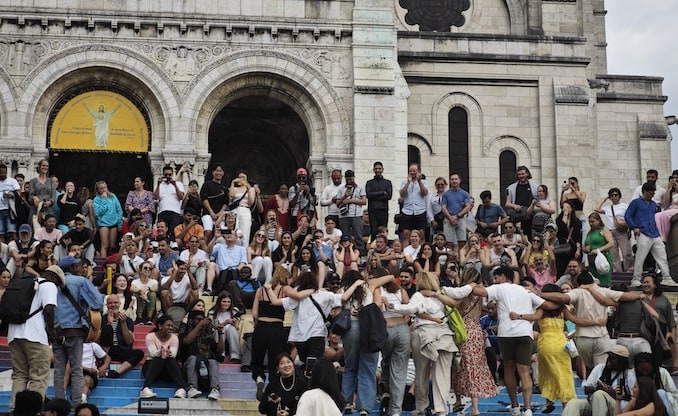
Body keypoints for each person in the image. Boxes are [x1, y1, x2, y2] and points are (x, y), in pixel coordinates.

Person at [472, 266, 550, 416]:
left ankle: (515, 406)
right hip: (524, 333)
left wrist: (470, 284)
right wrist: (530, 317)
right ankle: (527, 408)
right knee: (524, 371)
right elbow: (545, 306)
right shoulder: (526, 291)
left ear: (503, 276)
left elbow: (480, 292)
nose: (495, 281)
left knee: (509, 368)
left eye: (496, 277)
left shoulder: (500, 288)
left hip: (506, 333)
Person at [391, 272, 465, 416]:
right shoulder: (443, 294)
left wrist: (392, 306)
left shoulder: (419, 295)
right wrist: (472, 285)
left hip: (424, 335)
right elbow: (462, 293)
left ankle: (420, 408)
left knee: (421, 373)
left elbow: (411, 309)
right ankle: (441, 409)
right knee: (442, 375)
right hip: (444, 336)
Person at [508, 284, 576, 413]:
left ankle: (549, 401)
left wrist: (519, 316)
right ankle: (566, 405)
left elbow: (534, 317)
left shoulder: (541, 308)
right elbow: (575, 319)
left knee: (547, 373)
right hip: (561, 344)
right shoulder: (562, 310)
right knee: (563, 375)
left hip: (545, 344)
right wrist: (593, 322)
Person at [338, 269, 394, 415]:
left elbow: (342, 300)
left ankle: (347, 402)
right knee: (368, 369)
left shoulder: (344, 289)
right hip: (369, 328)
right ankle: (365, 407)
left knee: (350, 367)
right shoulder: (369, 285)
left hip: (351, 328)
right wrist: (367, 280)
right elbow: (391, 276)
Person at [52, 256, 104, 408]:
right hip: (74, 330)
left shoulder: (52, 284)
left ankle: (59, 404)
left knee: (59, 369)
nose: (81, 268)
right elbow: (97, 303)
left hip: (57, 331)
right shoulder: (80, 281)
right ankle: (76, 404)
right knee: (76, 369)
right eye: (78, 266)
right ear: (73, 268)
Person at [7, 265, 61, 411]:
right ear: (54, 277)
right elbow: (49, 309)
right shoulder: (49, 285)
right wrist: (51, 331)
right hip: (35, 336)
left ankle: (15, 410)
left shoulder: (27, 283)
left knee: (20, 376)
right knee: (38, 377)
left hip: (13, 335)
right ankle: (32, 411)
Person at [450, 269, 498, 416]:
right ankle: (474, 406)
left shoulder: (461, 293)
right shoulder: (480, 295)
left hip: (462, 330)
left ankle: (460, 400)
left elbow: (454, 306)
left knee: (459, 365)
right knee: (475, 367)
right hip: (476, 330)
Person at [625, 182, 678, 287]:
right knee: (641, 257)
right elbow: (627, 215)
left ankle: (666, 277)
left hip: (654, 233)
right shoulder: (636, 203)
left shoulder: (653, 204)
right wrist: (634, 227)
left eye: (653, 193)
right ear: (644, 192)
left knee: (662, 256)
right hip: (642, 232)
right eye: (650, 193)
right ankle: (636, 279)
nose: (652, 195)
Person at [562, 345, 635, 416]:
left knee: (599, 394)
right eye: (609, 356)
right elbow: (586, 389)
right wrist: (598, 389)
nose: (609, 360)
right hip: (595, 403)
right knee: (573, 403)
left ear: (621, 361)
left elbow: (633, 398)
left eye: (613, 358)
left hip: (618, 406)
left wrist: (615, 394)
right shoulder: (600, 368)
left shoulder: (629, 374)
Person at [251, 266, 290, 399]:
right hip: (277, 327)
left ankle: (259, 379)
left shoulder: (260, 290)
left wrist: (257, 326)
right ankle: (273, 388)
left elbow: (255, 314)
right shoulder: (284, 290)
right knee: (276, 360)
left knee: (257, 359)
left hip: (261, 327)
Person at [140, 315, 189, 399]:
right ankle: (146, 388)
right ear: (160, 326)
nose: (171, 328)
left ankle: (181, 389)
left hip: (168, 370)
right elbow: (153, 353)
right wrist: (161, 352)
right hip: (151, 368)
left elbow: (173, 354)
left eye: (171, 326)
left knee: (169, 358)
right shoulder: (150, 336)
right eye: (168, 325)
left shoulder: (174, 337)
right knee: (160, 357)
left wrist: (167, 353)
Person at [181, 310, 224, 400]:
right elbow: (186, 341)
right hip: (189, 370)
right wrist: (199, 326)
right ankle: (192, 388)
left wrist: (220, 333)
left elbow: (219, 350)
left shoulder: (207, 335)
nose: (200, 322)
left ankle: (215, 389)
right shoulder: (184, 333)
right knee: (193, 358)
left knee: (212, 361)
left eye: (202, 320)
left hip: (205, 370)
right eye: (198, 320)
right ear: (191, 321)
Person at [99, 293, 145, 378]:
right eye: (110, 303)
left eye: (115, 302)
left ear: (120, 304)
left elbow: (129, 341)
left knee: (139, 353)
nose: (113, 305)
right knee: (107, 328)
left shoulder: (127, 320)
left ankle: (117, 373)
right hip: (106, 351)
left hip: (122, 349)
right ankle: (103, 363)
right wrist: (109, 323)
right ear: (106, 305)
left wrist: (123, 322)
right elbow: (98, 338)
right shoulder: (101, 319)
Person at [595, 188, 634, 273]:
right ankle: (617, 271)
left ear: (619, 196)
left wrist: (630, 229)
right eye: (612, 195)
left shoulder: (624, 206)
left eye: (616, 195)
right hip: (610, 232)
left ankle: (629, 269)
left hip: (621, 230)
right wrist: (605, 199)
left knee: (626, 252)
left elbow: (630, 217)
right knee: (614, 254)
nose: (614, 197)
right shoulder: (608, 208)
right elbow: (596, 209)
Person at [398, 163, 429, 246]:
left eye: (414, 171)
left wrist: (419, 181)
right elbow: (402, 193)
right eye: (410, 171)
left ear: (418, 171)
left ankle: (421, 254)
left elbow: (425, 193)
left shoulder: (424, 182)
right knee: (406, 234)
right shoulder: (404, 182)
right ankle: (405, 254)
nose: (412, 173)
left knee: (421, 235)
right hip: (407, 211)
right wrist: (408, 183)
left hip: (420, 211)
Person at [503, 166, 539, 236]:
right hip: (517, 215)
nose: (521, 176)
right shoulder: (511, 188)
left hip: (529, 216)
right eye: (519, 174)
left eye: (523, 174)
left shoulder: (535, 187)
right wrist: (514, 206)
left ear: (527, 174)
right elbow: (507, 204)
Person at [207, 291, 241, 363]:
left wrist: (235, 324)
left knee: (232, 329)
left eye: (229, 302)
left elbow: (237, 328)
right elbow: (213, 328)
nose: (226, 304)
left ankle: (235, 357)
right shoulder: (212, 312)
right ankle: (220, 355)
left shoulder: (234, 311)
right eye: (224, 301)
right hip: (217, 333)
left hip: (230, 333)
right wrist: (225, 323)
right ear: (219, 302)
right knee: (220, 330)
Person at [440, 173, 472, 250]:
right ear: (450, 181)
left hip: (460, 219)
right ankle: (450, 259)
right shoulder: (446, 194)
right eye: (452, 179)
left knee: (462, 241)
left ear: (459, 181)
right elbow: (443, 207)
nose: (454, 181)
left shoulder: (465, 194)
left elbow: (468, 206)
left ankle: (461, 259)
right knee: (448, 242)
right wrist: (450, 218)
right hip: (448, 219)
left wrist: (457, 216)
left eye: (456, 179)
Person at [92, 180, 122, 258]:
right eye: (101, 188)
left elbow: (119, 210)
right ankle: (103, 263)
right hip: (103, 223)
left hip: (114, 222)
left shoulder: (113, 196)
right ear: (98, 190)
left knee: (112, 246)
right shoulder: (96, 199)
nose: (103, 190)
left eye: (105, 187)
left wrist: (119, 223)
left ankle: (112, 262)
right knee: (105, 244)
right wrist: (104, 200)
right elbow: (98, 213)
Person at [583, 212, 614, 287]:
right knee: (594, 280)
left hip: (603, 258)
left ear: (598, 221)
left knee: (604, 279)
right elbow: (585, 245)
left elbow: (611, 243)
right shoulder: (590, 233)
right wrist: (585, 249)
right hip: (592, 259)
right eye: (589, 221)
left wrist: (599, 250)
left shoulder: (604, 230)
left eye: (593, 221)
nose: (591, 223)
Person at [200, 163, 229, 241]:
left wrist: (220, 213)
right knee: (208, 232)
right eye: (217, 171)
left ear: (223, 173)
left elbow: (225, 202)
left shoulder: (224, 188)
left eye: (220, 171)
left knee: (224, 233)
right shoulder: (207, 185)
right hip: (208, 213)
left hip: (220, 215)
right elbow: (204, 199)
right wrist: (211, 212)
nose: (218, 173)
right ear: (213, 172)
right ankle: (205, 250)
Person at [228, 170, 258, 244]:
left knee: (245, 232)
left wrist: (248, 188)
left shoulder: (250, 189)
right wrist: (233, 183)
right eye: (240, 177)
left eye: (243, 177)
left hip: (245, 209)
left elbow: (251, 202)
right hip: (234, 210)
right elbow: (231, 196)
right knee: (234, 230)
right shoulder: (235, 188)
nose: (241, 179)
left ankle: (244, 250)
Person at [335, 170, 366, 240]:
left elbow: (364, 201)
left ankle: (358, 250)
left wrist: (350, 200)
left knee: (358, 235)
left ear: (354, 177)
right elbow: (337, 204)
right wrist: (344, 196)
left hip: (356, 215)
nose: (349, 181)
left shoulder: (360, 187)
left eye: (351, 179)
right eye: (347, 179)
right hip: (344, 215)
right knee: (344, 236)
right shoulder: (341, 189)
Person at [554, 200, 582, 277]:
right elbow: (562, 227)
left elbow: (578, 236)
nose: (565, 209)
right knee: (561, 268)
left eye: (567, 207)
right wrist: (565, 215)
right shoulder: (559, 220)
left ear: (572, 209)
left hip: (572, 247)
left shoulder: (577, 222)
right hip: (562, 247)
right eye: (564, 207)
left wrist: (578, 249)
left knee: (573, 268)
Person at [365, 161, 393, 241]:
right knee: (374, 231)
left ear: (383, 169)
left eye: (379, 168)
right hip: (372, 210)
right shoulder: (369, 183)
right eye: (376, 168)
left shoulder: (387, 183)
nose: (378, 170)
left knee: (383, 231)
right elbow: (369, 195)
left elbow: (389, 196)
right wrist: (381, 192)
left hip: (383, 210)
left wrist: (375, 196)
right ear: (373, 170)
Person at [155, 165, 185, 234]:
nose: (168, 176)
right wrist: (158, 184)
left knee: (174, 233)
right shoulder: (160, 185)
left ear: (172, 174)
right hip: (162, 212)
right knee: (162, 233)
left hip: (175, 212)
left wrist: (175, 185)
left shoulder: (179, 184)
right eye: (166, 174)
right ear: (163, 174)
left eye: (169, 175)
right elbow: (156, 197)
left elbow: (181, 197)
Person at [560, 177, 588, 245]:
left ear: (577, 183)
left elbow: (581, 200)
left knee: (583, 239)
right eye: (569, 183)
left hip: (581, 217)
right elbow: (562, 205)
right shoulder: (567, 195)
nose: (571, 185)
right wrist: (562, 192)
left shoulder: (582, 193)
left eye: (572, 183)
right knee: (572, 238)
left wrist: (574, 189)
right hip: (571, 218)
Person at [0, 163, 20, 243]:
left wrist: (11, 195)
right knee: (0, 232)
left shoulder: (12, 181)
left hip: (10, 210)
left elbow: (18, 193)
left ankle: (15, 248)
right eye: (1, 172)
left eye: (4, 172)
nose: (2, 174)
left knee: (12, 231)